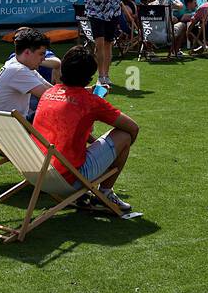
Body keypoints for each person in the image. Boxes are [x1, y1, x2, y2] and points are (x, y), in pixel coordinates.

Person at [32, 46, 138, 213]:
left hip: (36, 173)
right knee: (124, 136)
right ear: (88, 79)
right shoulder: (91, 102)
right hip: (68, 179)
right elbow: (133, 128)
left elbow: (71, 96)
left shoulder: (48, 93)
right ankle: (105, 192)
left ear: (63, 70)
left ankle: (91, 192)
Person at [81, 0, 128, 88]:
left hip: (112, 11)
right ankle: (100, 76)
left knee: (108, 44)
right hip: (95, 11)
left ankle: (106, 75)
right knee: (99, 44)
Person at [0, 27, 53, 116]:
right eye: (41, 54)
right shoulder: (18, 70)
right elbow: (49, 96)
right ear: (27, 52)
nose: (44, 59)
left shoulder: (17, 64)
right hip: (5, 127)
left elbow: (51, 89)